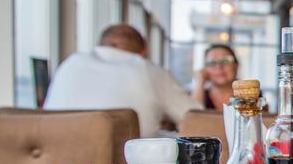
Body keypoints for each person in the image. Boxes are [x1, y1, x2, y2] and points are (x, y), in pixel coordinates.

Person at [44, 24, 199, 137]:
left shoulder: (69, 63)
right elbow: (197, 119)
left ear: (100, 46)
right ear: (143, 52)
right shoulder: (146, 69)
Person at [191, 44, 238, 111]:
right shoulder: (200, 95)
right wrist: (200, 81)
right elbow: (193, 116)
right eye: (212, 63)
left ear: (236, 65)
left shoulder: (251, 96)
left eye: (225, 60)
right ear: (205, 69)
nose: (218, 66)